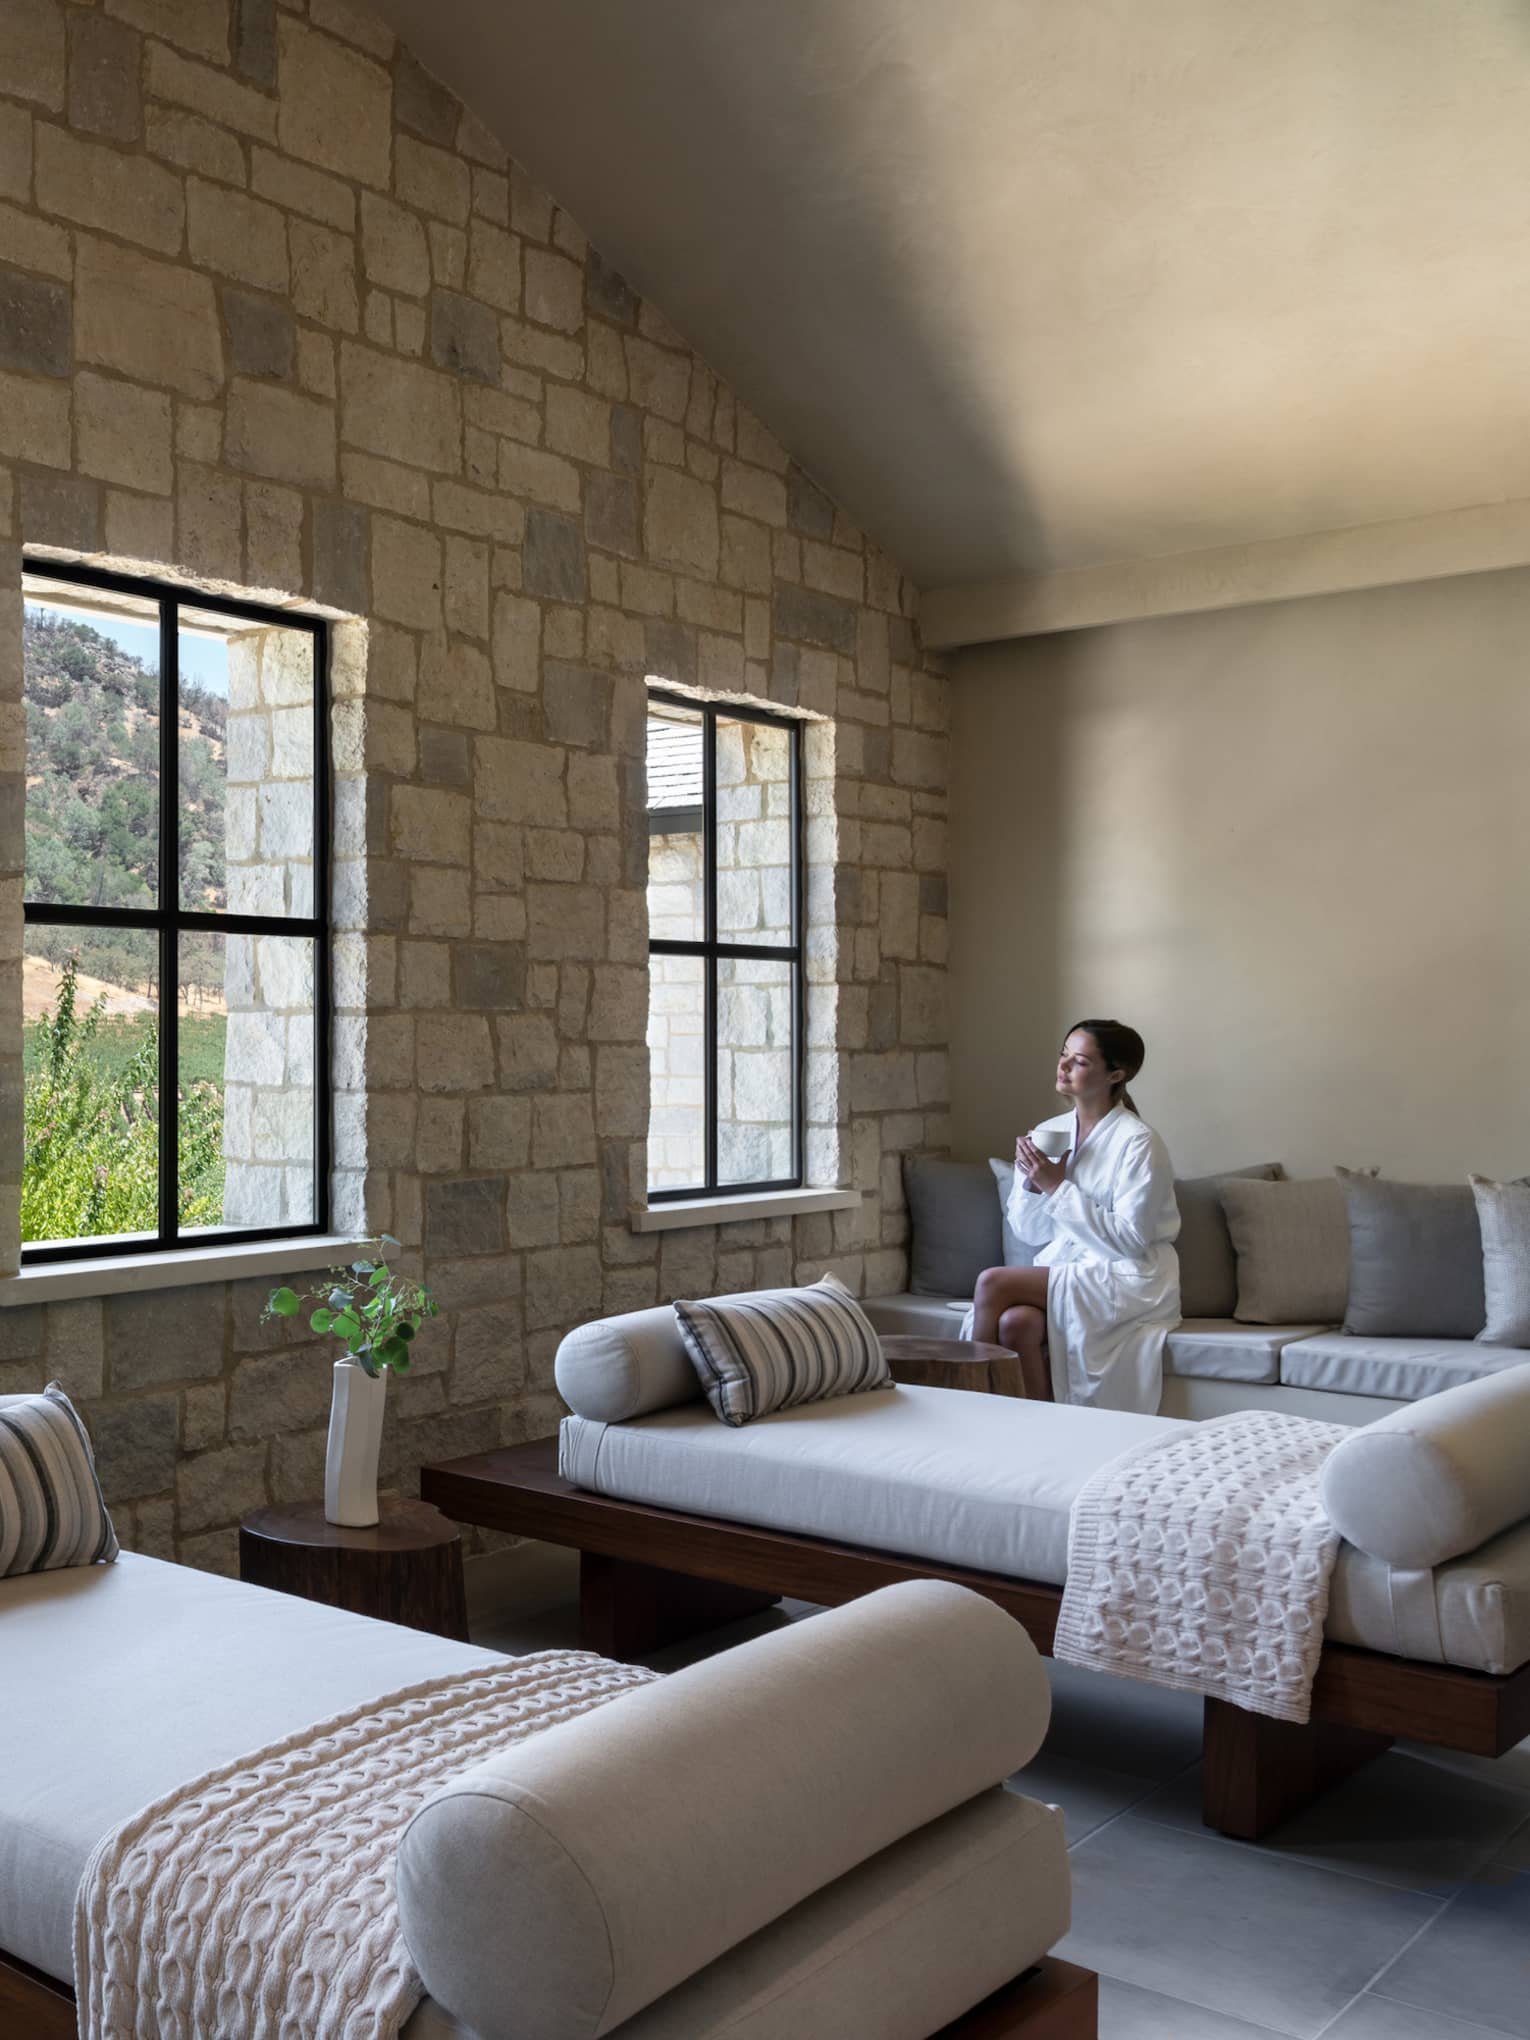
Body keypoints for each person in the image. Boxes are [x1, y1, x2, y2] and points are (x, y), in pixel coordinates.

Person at [969, 1019, 1180, 1412]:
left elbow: (1130, 1240)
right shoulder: (1049, 1131)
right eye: (1063, 1054)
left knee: (992, 1283)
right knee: (1017, 1324)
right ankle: (1039, 1430)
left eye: (1079, 1061)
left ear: (1116, 1074)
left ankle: (972, 1405)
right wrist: (1032, 1182)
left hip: (1129, 1276)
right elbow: (1030, 1232)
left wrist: (1055, 1186)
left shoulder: (1138, 1143)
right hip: (1073, 1266)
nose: (1063, 1066)